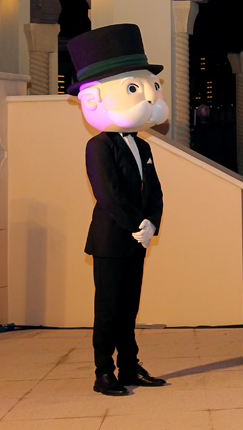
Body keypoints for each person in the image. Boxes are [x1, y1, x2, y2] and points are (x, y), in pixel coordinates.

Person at [67, 24, 170, 396]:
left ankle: (129, 365)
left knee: (129, 307)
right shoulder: (98, 146)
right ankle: (103, 371)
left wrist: (152, 223)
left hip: (137, 239)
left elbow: (154, 190)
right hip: (112, 239)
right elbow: (107, 194)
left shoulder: (142, 146)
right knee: (108, 308)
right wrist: (137, 224)